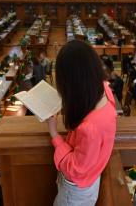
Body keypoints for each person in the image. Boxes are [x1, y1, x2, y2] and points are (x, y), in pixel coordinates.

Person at [46, 40, 117, 206]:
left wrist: (54, 134)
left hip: (76, 192)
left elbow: (75, 170)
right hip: (91, 180)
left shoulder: (90, 128)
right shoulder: (104, 89)